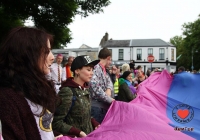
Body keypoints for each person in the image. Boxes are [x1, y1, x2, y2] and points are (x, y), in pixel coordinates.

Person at [0, 27, 61, 140]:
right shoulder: (7, 99)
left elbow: (42, 129)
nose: (52, 57)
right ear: (27, 55)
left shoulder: (38, 90)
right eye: (46, 52)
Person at [52, 55, 100, 138]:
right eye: (88, 70)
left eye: (92, 70)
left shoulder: (85, 89)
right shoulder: (67, 91)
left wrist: (93, 122)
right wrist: (77, 132)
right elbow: (56, 122)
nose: (92, 73)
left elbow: (84, 114)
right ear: (77, 71)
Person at [89, 47, 115, 123]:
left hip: (101, 106)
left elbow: (109, 82)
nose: (110, 63)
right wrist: (109, 99)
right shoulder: (96, 68)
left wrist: (109, 89)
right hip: (96, 106)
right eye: (110, 60)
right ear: (108, 58)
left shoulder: (103, 69)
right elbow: (94, 85)